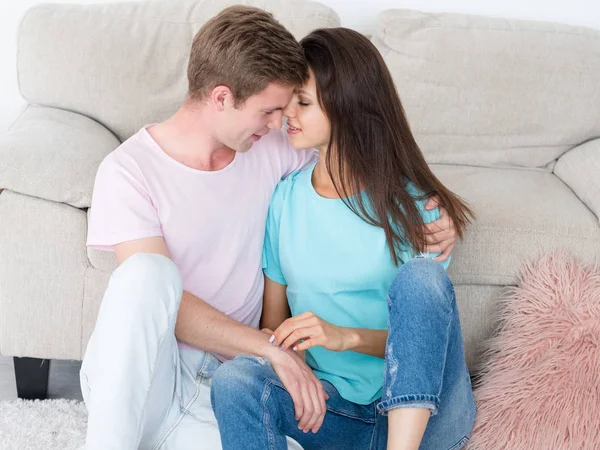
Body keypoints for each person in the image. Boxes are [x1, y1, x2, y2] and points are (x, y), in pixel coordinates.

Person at [80, 7, 459, 450]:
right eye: (270, 111)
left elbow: (355, 153)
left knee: (265, 409)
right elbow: (162, 305)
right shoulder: (128, 170)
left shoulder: (271, 148)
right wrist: (271, 349)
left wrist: (434, 211)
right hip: (154, 376)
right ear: (222, 97)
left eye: (289, 108)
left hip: (226, 383)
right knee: (147, 273)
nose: (280, 123)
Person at [210, 28, 477, 450]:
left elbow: (423, 344)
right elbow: (274, 323)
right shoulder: (285, 199)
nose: (285, 117)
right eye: (286, 102)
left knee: (422, 279)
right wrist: (295, 363)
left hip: (426, 423)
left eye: (303, 102)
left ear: (346, 106)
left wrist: (344, 336)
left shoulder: (413, 206)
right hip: (336, 414)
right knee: (235, 380)